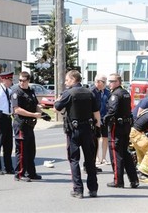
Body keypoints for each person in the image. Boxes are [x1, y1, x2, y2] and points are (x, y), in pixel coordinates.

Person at [54, 70, 100, 199]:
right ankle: (93, 189)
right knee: (90, 160)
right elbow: (96, 112)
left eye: (67, 80)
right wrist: (98, 129)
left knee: (74, 160)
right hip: (88, 130)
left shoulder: (69, 93)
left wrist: (58, 99)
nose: (65, 82)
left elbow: (57, 107)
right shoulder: (89, 92)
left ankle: (78, 190)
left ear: (73, 79)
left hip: (74, 130)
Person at [104, 73, 139, 188]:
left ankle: (118, 181)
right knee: (125, 153)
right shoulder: (126, 93)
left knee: (116, 153)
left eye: (112, 81)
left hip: (117, 127)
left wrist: (104, 121)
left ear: (118, 82)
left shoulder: (116, 94)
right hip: (126, 126)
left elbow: (112, 111)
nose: (110, 83)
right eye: (109, 81)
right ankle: (134, 180)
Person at [11, 71, 43, 182]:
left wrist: (40, 110)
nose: (21, 82)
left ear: (28, 81)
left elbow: (36, 104)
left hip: (30, 125)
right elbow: (17, 109)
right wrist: (33, 114)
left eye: (23, 81)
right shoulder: (16, 92)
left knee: (31, 150)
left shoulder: (31, 91)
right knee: (22, 151)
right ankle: (19, 174)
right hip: (21, 125)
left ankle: (31, 173)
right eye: (20, 80)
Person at [0, 72, 14, 175]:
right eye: (10, 80)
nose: (11, 81)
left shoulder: (9, 91)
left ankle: (8, 167)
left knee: (8, 144)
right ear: (4, 80)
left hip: (7, 118)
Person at [91, 74, 111, 165]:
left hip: (105, 117)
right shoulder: (93, 91)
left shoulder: (108, 92)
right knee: (97, 138)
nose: (106, 84)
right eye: (104, 81)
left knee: (105, 137)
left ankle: (104, 157)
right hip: (96, 118)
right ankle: (97, 158)